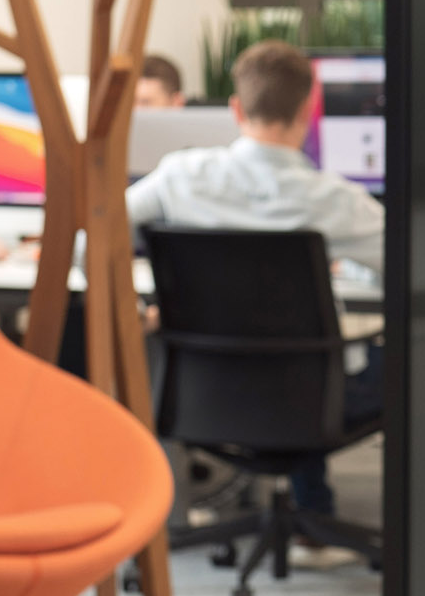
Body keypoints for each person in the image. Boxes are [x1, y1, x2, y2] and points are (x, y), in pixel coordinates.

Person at [127, 40, 383, 544]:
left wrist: (142, 311)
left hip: (202, 392)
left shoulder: (181, 176)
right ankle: (343, 526)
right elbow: (418, 267)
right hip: (312, 400)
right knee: (412, 365)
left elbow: (90, 236)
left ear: (236, 109)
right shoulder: (337, 201)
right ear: (308, 111)